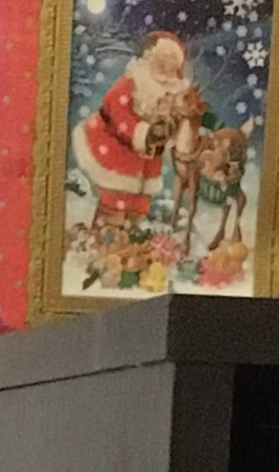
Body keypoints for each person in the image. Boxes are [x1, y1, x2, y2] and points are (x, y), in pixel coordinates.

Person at [69, 29, 205, 286]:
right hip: (114, 148)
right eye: (162, 62)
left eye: (172, 65)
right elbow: (118, 113)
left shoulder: (173, 96)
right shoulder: (129, 84)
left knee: (138, 204)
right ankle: (103, 245)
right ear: (149, 59)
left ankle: (130, 244)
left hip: (145, 161)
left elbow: (176, 129)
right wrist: (145, 133)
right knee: (114, 199)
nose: (166, 70)